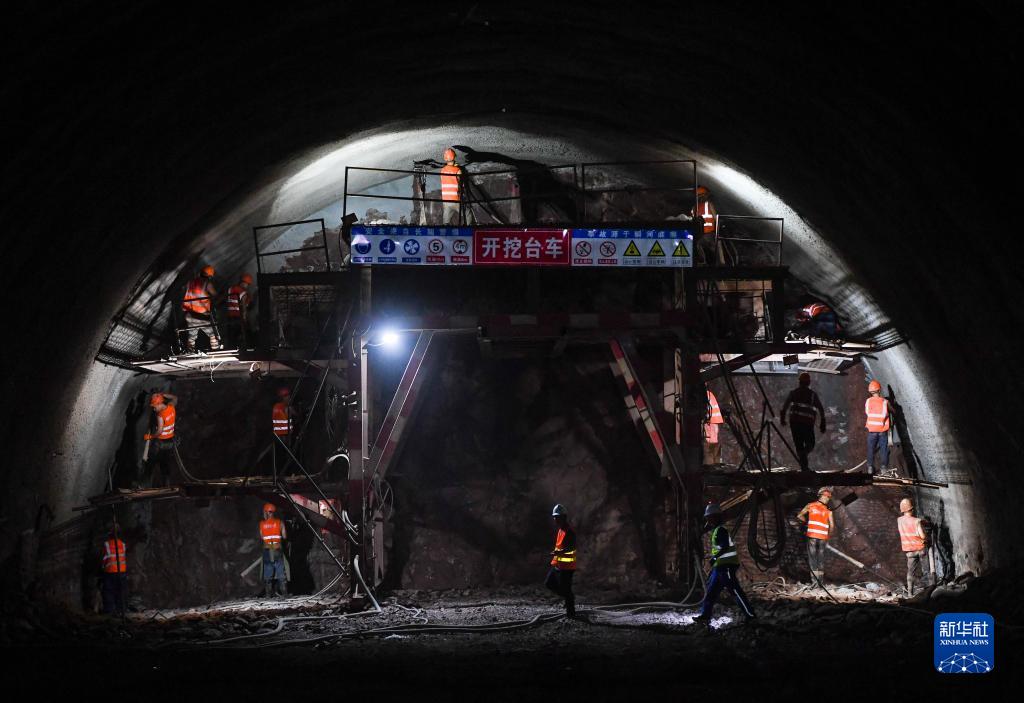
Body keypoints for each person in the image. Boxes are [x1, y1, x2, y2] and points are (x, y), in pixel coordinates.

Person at [694, 503, 756, 630]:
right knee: (710, 593)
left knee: (736, 592)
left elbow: (725, 547)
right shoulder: (717, 530)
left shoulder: (721, 530)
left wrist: (714, 559)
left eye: (709, 517)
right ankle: (705, 616)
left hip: (726, 567)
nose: (708, 520)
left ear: (715, 517)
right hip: (719, 568)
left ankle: (751, 616)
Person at [780, 372, 827, 472]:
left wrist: (782, 418)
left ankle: (804, 466)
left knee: (799, 445)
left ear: (799, 382)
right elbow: (820, 408)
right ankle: (804, 464)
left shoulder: (793, 393)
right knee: (810, 444)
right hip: (807, 424)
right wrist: (823, 422)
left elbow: (785, 406)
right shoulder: (812, 395)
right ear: (809, 382)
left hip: (795, 423)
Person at [797, 486, 834, 586]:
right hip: (823, 538)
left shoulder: (810, 506)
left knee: (813, 559)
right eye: (827, 497)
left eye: (828, 497)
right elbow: (832, 526)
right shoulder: (828, 511)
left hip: (812, 536)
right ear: (821, 496)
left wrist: (806, 523)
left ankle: (815, 582)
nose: (827, 499)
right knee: (820, 559)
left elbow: (799, 516)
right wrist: (828, 537)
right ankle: (819, 582)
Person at [545, 503, 576, 619]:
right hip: (558, 565)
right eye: (554, 517)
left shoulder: (569, 531)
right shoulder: (561, 530)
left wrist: (559, 553)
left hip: (567, 567)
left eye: (557, 517)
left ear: (563, 517)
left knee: (566, 590)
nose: (555, 519)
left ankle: (571, 615)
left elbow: (572, 547)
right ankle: (569, 598)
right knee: (549, 583)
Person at [143, 392, 179, 487]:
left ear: (159, 403)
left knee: (150, 463)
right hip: (170, 442)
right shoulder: (171, 407)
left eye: (154, 406)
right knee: (165, 464)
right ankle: (166, 486)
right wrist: (163, 394)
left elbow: (159, 431)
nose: (154, 409)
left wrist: (150, 437)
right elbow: (175, 397)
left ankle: (144, 484)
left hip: (160, 443)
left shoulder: (160, 415)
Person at [182, 265, 221, 351]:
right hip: (202, 316)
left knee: (192, 336)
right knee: (213, 334)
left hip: (189, 315)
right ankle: (216, 350)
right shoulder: (207, 284)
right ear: (209, 276)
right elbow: (216, 296)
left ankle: (190, 351)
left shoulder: (190, 282)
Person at [897, 497, 928, 595]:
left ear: (902, 510)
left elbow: (907, 522)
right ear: (912, 509)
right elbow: (922, 536)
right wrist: (926, 536)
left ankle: (910, 593)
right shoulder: (916, 521)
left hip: (910, 552)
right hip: (921, 550)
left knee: (910, 572)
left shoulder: (899, 520)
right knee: (927, 570)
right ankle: (929, 590)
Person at [259, 503, 288, 598]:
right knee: (280, 571)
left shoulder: (262, 524)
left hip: (267, 550)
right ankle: (284, 593)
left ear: (266, 512)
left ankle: (268, 594)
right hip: (277, 549)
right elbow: (284, 536)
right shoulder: (280, 522)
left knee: (268, 572)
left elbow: (262, 537)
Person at [865, 379, 891, 475]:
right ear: (879, 390)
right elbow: (892, 410)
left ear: (870, 392)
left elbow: (867, 412)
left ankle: (870, 468)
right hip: (882, 430)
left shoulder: (868, 401)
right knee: (884, 449)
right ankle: (884, 468)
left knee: (871, 449)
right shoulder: (885, 402)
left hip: (872, 431)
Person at [100, 528, 127, 615]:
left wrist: (102, 568)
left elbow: (103, 559)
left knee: (109, 591)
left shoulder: (106, 544)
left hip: (110, 571)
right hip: (122, 572)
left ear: (110, 534)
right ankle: (121, 611)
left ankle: (110, 611)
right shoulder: (123, 544)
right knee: (120, 591)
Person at [691, 185, 719, 264]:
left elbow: (693, 220)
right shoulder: (709, 204)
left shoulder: (694, 208)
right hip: (709, 234)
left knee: (698, 245)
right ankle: (717, 263)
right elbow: (716, 218)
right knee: (714, 249)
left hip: (700, 234)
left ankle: (703, 262)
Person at [225, 272, 254, 349]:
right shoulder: (243, 292)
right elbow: (243, 307)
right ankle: (246, 348)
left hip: (229, 316)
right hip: (238, 316)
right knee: (243, 333)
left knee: (231, 335)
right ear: (246, 283)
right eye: (248, 284)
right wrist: (244, 318)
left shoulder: (230, 289)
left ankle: (231, 349)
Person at [272, 387, 295, 474]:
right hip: (281, 435)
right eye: (286, 396)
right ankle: (284, 473)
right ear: (282, 397)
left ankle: (286, 472)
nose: (288, 398)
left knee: (286, 455)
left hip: (285, 434)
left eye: (288, 396)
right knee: (283, 455)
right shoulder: (281, 407)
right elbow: (287, 415)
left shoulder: (282, 406)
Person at [440, 147, 463, 225]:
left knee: (446, 222)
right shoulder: (457, 170)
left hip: (446, 200)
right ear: (454, 158)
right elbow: (461, 183)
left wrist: (453, 167)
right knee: (467, 213)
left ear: (445, 159)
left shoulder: (442, 170)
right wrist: (457, 168)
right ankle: (469, 227)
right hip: (455, 199)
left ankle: (446, 230)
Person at [703, 389, 725, 466]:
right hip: (715, 424)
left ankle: (711, 468)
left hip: (710, 424)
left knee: (709, 451)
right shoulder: (711, 394)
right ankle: (715, 467)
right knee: (715, 450)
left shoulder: (704, 394)